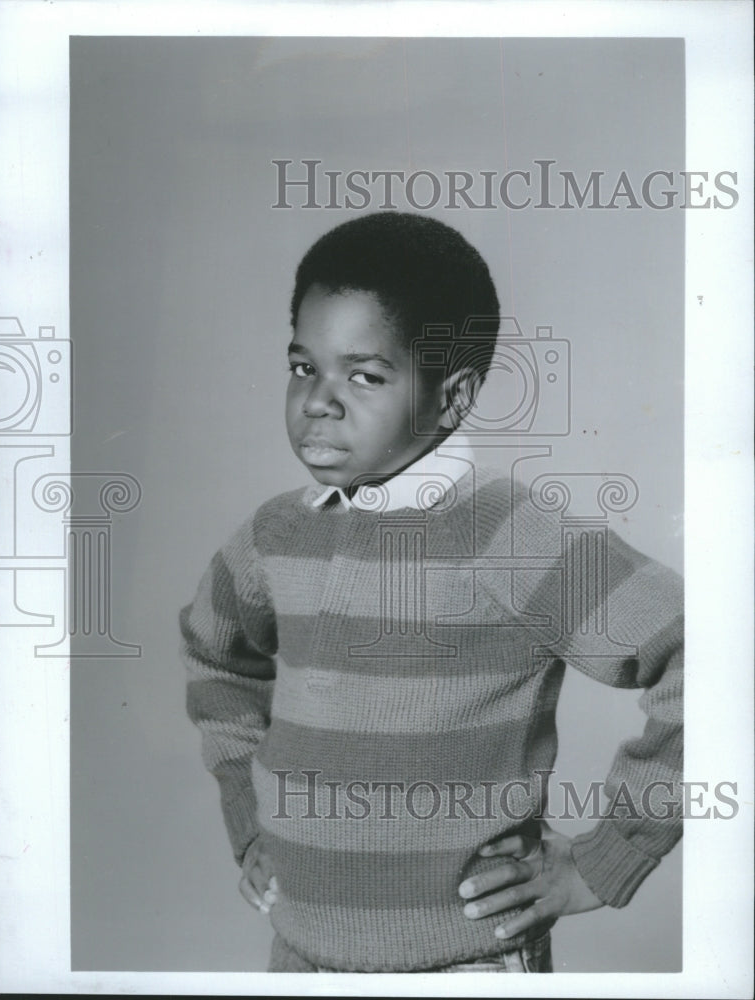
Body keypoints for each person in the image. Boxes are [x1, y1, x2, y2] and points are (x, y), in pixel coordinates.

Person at [179, 211, 683, 973]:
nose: (318, 399)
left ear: (452, 397)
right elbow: (216, 659)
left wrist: (608, 858)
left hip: (466, 965)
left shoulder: (511, 534)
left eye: (364, 375)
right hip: (301, 957)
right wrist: (252, 821)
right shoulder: (275, 536)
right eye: (302, 365)